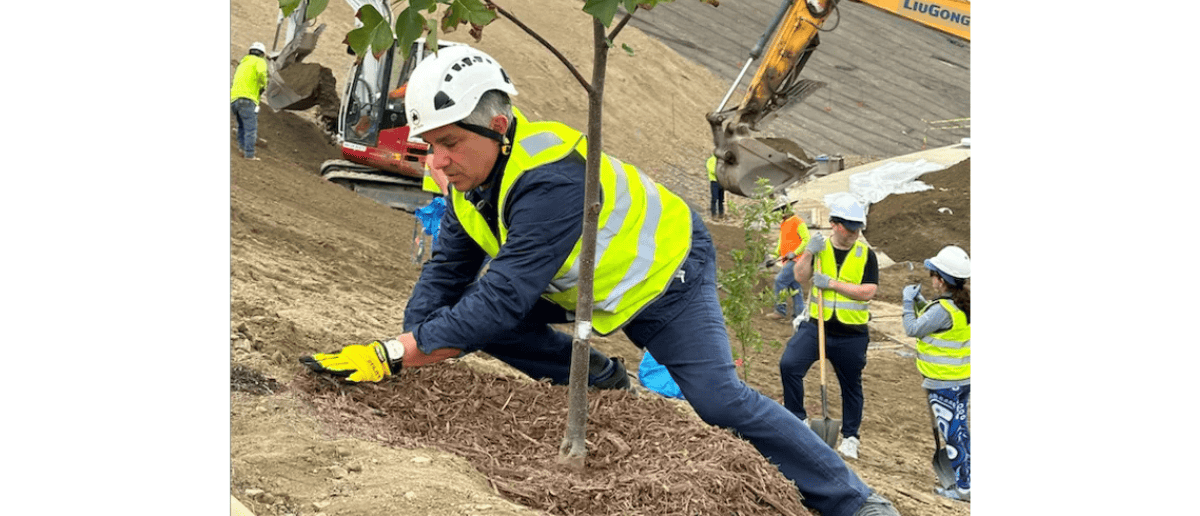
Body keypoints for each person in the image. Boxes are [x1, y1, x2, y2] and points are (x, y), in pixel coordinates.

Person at [300, 45, 902, 516]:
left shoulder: (552, 175)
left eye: (450, 144)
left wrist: (394, 355)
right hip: (586, 287)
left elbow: (504, 293)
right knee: (464, 321)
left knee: (719, 400)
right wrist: (410, 343)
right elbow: (447, 277)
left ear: (500, 124)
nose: (438, 163)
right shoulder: (465, 185)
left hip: (669, 276)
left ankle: (853, 499)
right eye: (430, 147)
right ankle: (606, 383)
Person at [779, 198, 878, 460]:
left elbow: (868, 291)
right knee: (789, 365)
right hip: (817, 326)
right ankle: (797, 420)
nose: (855, 233)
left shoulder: (866, 254)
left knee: (851, 386)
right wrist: (808, 253)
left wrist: (833, 284)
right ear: (834, 225)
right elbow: (800, 277)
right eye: (849, 228)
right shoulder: (820, 249)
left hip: (852, 334)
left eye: (858, 228)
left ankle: (850, 438)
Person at [902, 245, 971, 503]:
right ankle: (969, 480)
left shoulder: (943, 309)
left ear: (940, 280)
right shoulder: (960, 304)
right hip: (961, 380)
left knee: (952, 434)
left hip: (943, 383)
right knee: (961, 430)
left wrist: (908, 302)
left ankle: (963, 488)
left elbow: (912, 328)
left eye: (933, 275)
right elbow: (935, 321)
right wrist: (921, 303)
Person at [766, 202, 811, 321]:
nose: (781, 213)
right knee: (794, 288)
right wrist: (774, 256)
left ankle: (780, 311)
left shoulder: (798, 221)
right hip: (789, 260)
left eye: (783, 209)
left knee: (779, 280)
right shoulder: (784, 224)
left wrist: (795, 253)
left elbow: (807, 239)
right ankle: (800, 315)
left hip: (797, 260)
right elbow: (781, 242)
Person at [230, 42, 269, 160]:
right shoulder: (260, 62)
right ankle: (249, 155)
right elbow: (262, 73)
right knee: (250, 129)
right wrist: (264, 85)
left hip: (234, 100)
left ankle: (242, 149)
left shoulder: (243, 63)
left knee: (241, 126)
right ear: (262, 54)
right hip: (248, 100)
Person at [705, 154, 725, 220]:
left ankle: (721, 213)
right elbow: (711, 170)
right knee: (714, 198)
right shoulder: (711, 160)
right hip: (714, 181)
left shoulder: (722, 160)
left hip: (721, 182)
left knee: (721, 199)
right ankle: (714, 214)